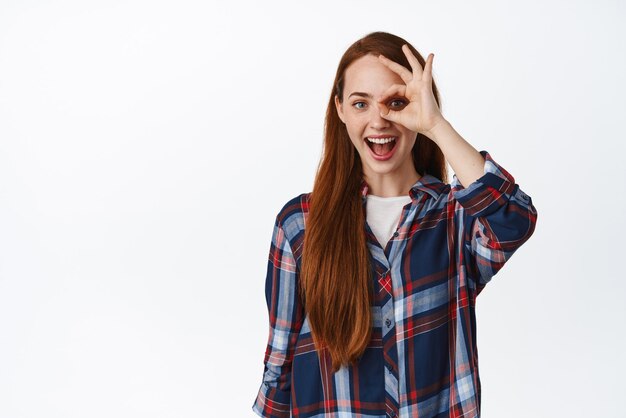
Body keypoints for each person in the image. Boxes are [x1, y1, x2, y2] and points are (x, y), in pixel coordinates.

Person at [252, 31, 538, 418]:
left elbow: (514, 220)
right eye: (360, 103)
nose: (378, 120)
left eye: (396, 102)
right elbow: (279, 366)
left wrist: (436, 125)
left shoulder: (454, 217)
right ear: (339, 109)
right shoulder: (299, 224)